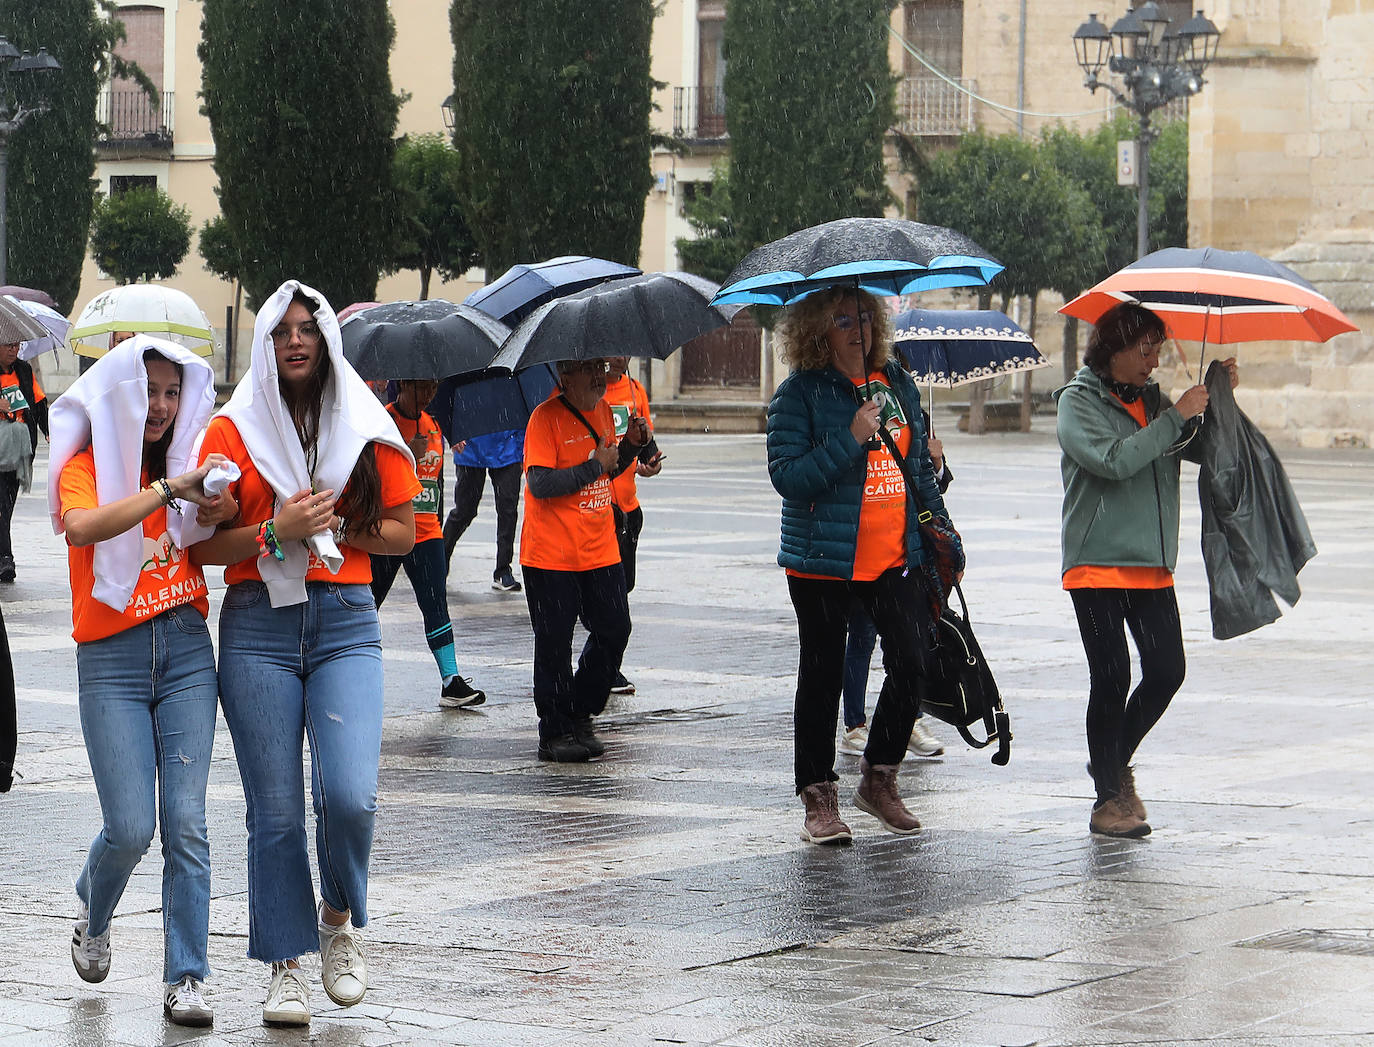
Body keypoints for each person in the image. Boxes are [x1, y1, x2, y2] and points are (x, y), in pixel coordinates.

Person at [194, 281, 419, 1027]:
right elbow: (203, 545)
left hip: (345, 618)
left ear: (326, 340)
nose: (296, 341)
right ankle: (284, 964)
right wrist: (275, 531)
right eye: (283, 330)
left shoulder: (361, 419)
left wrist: (336, 530)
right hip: (258, 621)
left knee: (349, 797)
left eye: (308, 329)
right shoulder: (232, 430)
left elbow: (403, 531)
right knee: (278, 811)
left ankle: (336, 919)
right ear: (265, 344)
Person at [49, 335, 236, 1026]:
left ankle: (187, 974)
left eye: (170, 392)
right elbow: (81, 526)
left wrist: (213, 504)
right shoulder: (86, 462)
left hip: (186, 647)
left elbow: (209, 534)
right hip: (110, 658)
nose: (159, 406)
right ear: (120, 393)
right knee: (129, 827)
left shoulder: (186, 459)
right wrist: (164, 489)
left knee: (185, 821)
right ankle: (93, 908)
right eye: (147, 390)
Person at [766, 285, 961, 845]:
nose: (859, 331)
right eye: (843, 320)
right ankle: (818, 798)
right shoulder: (798, 395)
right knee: (822, 675)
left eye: (865, 319)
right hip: (822, 562)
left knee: (914, 661)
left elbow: (917, 471)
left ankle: (879, 777)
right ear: (816, 332)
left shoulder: (896, 382)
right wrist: (850, 438)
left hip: (894, 556)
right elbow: (789, 477)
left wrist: (941, 534)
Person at [1054, 301, 1237, 838]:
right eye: (1145, 348)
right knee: (1111, 677)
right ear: (1113, 346)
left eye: (1158, 348)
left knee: (1166, 670)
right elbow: (1113, 460)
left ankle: (1109, 763)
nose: (1153, 360)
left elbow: (1195, 449)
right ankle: (1107, 799)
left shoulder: (1154, 400)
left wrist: (1216, 399)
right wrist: (1175, 416)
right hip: (1097, 561)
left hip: (1152, 563)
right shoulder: (1076, 402)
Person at [520, 357, 647, 762]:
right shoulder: (545, 418)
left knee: (615, 630)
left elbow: (606, 474)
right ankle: (554, 731)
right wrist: (595, 464)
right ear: (564, 376)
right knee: (554, 644)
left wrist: (630, 447)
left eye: (601, 365)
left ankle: (579, 709)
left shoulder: (605, 412)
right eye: (588, 367)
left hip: (599, 549)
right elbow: (540, 484)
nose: (599, 374)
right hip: (551, 555)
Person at [840, 411, 950, 759]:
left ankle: (911, 718)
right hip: (861, 548)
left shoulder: (916, 413)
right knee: (861, 639)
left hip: (904, 553)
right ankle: (855, 726)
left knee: (907, 647)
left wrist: (937, 461)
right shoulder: (854, 411)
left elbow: (932, 484)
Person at [373, 379, 486, 708]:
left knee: (436, 603)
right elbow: (369, 476)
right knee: (367, 602)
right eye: (422, 388)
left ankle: (451, 680)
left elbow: (435, 481)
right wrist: (407, 451)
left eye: (434, 388)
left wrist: (436, 524)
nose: (429, 395)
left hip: (426, 533)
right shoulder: (383, 422)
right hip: (389, 530)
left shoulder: (433, 424)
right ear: (405, 385)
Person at [601, 356, 663, 695]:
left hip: (628, 508)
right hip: (600, 510)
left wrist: (648, 462)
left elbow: (643, 447)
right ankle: (607, 667)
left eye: (623, 350)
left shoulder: (636, 389)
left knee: (623, 588)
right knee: (609, 600)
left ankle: (606, 663)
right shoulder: (589, 397)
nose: (616, 357)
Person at [441, 428, 525, 592]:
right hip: (470, 447)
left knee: (508, 510)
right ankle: (441, 561)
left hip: (508, 445)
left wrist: (522, 448)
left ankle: (503, 569)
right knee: (464, 511)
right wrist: (453, 434)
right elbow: (451, 406)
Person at [0, 339, 48, 582]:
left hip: (19, 448)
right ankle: (6, 559)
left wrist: (48, 430)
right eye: (8, 345)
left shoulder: (23, 370)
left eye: (17, 345)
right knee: (1, 505)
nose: (13, 349)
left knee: (7, 503)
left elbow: (38, 403)